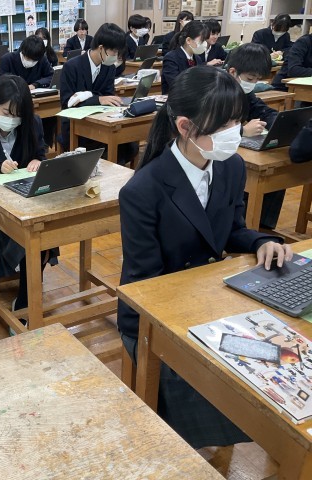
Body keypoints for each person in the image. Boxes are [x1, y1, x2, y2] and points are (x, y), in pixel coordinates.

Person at [118, 66, 292, 449]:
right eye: (225, 125)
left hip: (210, 302)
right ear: (185, 126)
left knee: (278, 364)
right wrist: (207, 311)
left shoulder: (230, 165)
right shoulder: (142, 191)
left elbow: (230, 230)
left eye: (237, 120)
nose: (235, 132)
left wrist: (261, 242)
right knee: (235, 398)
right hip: (154, 317)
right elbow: (146, 285)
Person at [0, 75, 57, 332]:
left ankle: (25, 298)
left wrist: (38, 160)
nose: (12, 119)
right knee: (31, 234)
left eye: (17, 115)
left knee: (43, 227)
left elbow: (40, 151)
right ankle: (27, 299)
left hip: (28, 201)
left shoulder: (32, 123)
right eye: (6, 112)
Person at [59, 23, 138, 164]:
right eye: (114, 52)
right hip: (76, 126)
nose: (116, 57)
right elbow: (67, 103)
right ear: (101, 48)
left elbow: (108, 96)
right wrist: (98, 99)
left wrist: (108, 101)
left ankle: (115, 173)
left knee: (129, 145)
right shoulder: (72, 66)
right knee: (106, 148)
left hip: (102, 122)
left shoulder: (109, 67)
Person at [227, 43, 285, 230]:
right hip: (214, 149)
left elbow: (262, 110)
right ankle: (241, 228)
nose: (252, 83)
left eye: (257, 79)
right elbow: (206, 128)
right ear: (233, 71)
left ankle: (263, 227)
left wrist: (282, 122)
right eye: (250, 78)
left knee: (276, 174)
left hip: (236, 146)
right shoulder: (214, 89)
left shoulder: (245, 91)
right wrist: (243, 131)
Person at [161, 20, 205, 94]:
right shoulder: (171, 58)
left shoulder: (198, 58)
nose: (204, 44)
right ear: (188, 40)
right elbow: (175, 85)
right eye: (202, 40)